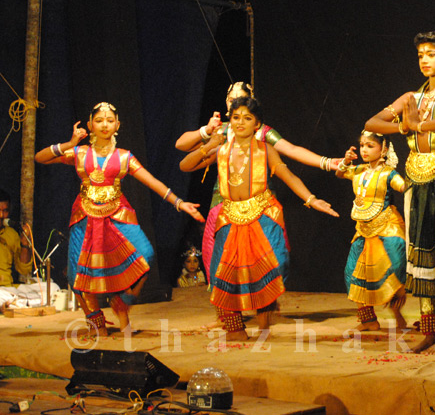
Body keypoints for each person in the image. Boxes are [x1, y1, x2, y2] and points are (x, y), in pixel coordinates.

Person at [34, 102, 204, 335]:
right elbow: (40, 157)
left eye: (110, 120)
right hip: (84, 216)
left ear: (118, 125)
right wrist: (70, 144)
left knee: (145, 254)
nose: (105, 124)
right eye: (99, 120)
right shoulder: (80, 153)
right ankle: (96, 323)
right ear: (90, 125)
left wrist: (179, 203)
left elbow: (152, 182)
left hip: (117, 214)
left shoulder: (124, 157)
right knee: (78, 273)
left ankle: (124, 302)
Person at [180, 96, 339, 340]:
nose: (240, 122)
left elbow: (288, 176)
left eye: (247, 118)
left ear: (257, 124)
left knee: (276, 263)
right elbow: (185, 165)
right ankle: (235, 327)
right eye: (236, 117)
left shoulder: (266, 149)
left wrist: (312, 199)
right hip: (230, 214)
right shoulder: (221, 150)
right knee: (224, 272)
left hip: (262, 212)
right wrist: (208, 145)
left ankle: (265, 308)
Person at [364, 30, 435, 354]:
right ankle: (429, 330)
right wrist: (402, 126)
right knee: (421, 251)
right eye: (421, 55)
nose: (424, 60)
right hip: (416, 177)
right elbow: (373, 122)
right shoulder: (410, 97)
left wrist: (419, 125)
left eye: (431, 54)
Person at [175, 81, 341, 276]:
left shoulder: (263, 140)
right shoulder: (221, 138)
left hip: (260, 209)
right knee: (223, 270)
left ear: (255, 119)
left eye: (245, 113)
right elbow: (183, 156)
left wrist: (321, 175)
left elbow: (290, 159)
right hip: (225, 208)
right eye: (231, 101)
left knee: (269, 266)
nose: (236, 108)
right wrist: (207, 135)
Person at [336, 131, 407, 331]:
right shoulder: (359, 170)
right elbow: (340, 173)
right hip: (363, 228)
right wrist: (345, 161)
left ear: (383, 149)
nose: (364, 150)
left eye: (370, 146)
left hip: (387, 226)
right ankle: (368, 320)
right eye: (362, 146)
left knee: (394, 268)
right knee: (352, 273)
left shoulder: (388, 173)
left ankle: (397, 314)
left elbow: (403, 187)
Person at [0, 189, 33, 286]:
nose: (1, 215)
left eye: (5, 211)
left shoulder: (11, 234)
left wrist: (25, 244)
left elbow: (24, 270)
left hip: (7, 288)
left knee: (51, 287)